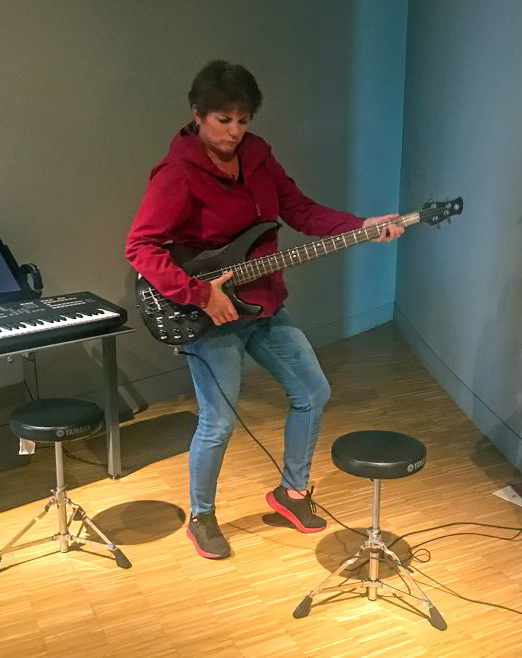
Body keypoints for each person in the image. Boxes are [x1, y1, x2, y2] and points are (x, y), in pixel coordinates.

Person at [126, 61, 403, 559]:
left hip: (265, 304)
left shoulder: (257, 155)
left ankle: (290, 494)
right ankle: (202, 516)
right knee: (218, 422)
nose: (234, 132)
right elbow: (140, 248)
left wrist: (363, 225)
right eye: (222, 120)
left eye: (243, 120)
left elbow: (298, 209)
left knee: (314, 393)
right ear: (197, 115)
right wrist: (199, 294)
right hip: (211, 314)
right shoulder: (177, 173)